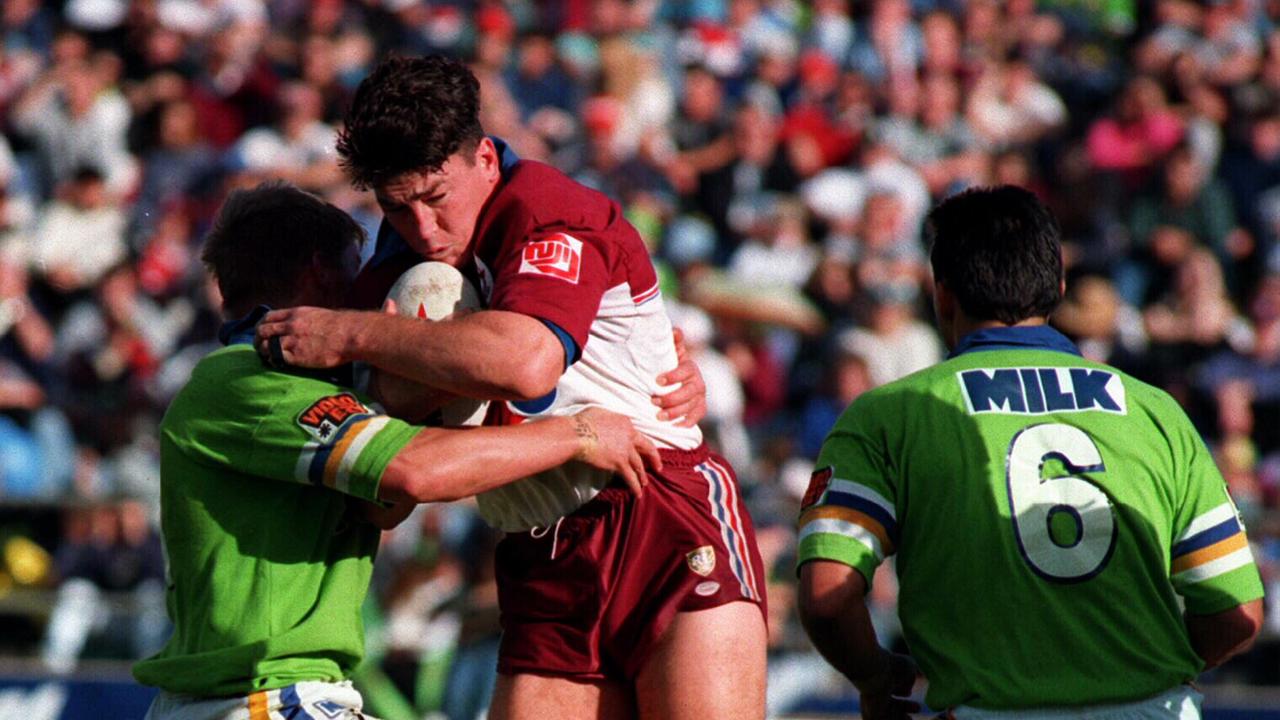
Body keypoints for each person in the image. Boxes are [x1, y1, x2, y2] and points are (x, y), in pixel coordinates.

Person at [255, 55, 768, 720]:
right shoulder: (401, 258)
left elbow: (526, 366)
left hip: (656, 504)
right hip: (538, 542)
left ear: (486, 162)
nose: (424, 230)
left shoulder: (550, 212)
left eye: (437, 198)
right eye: (396, 207)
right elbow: (384, 464)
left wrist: (354, 335)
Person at [133, 182, 662, 720]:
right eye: (353, 267)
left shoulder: (277, 383)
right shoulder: (247, 380)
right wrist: (578, 434)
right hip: (259, 696)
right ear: (320, 270)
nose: (365, 285)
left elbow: (383, 508)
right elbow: (413, 473)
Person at [796, 185, 1265, 720]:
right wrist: (1142, 673)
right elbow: (1237, 610)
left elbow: (827, 594)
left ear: (941, 294)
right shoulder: (1156, 412)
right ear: (1059, 288)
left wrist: (876, 677)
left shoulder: (889, 414)